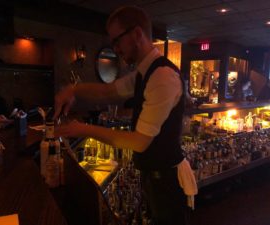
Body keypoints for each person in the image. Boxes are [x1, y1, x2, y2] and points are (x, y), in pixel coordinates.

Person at [54, 6, 197, 225]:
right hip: (154, 176)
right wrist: (73, 90)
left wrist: (83, 129)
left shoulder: (162, 76)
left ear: (137, 34)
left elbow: (139, 142)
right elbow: (109, 91)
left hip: (168, 180)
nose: (116, 48)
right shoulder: (144, 72)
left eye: (117, 40)